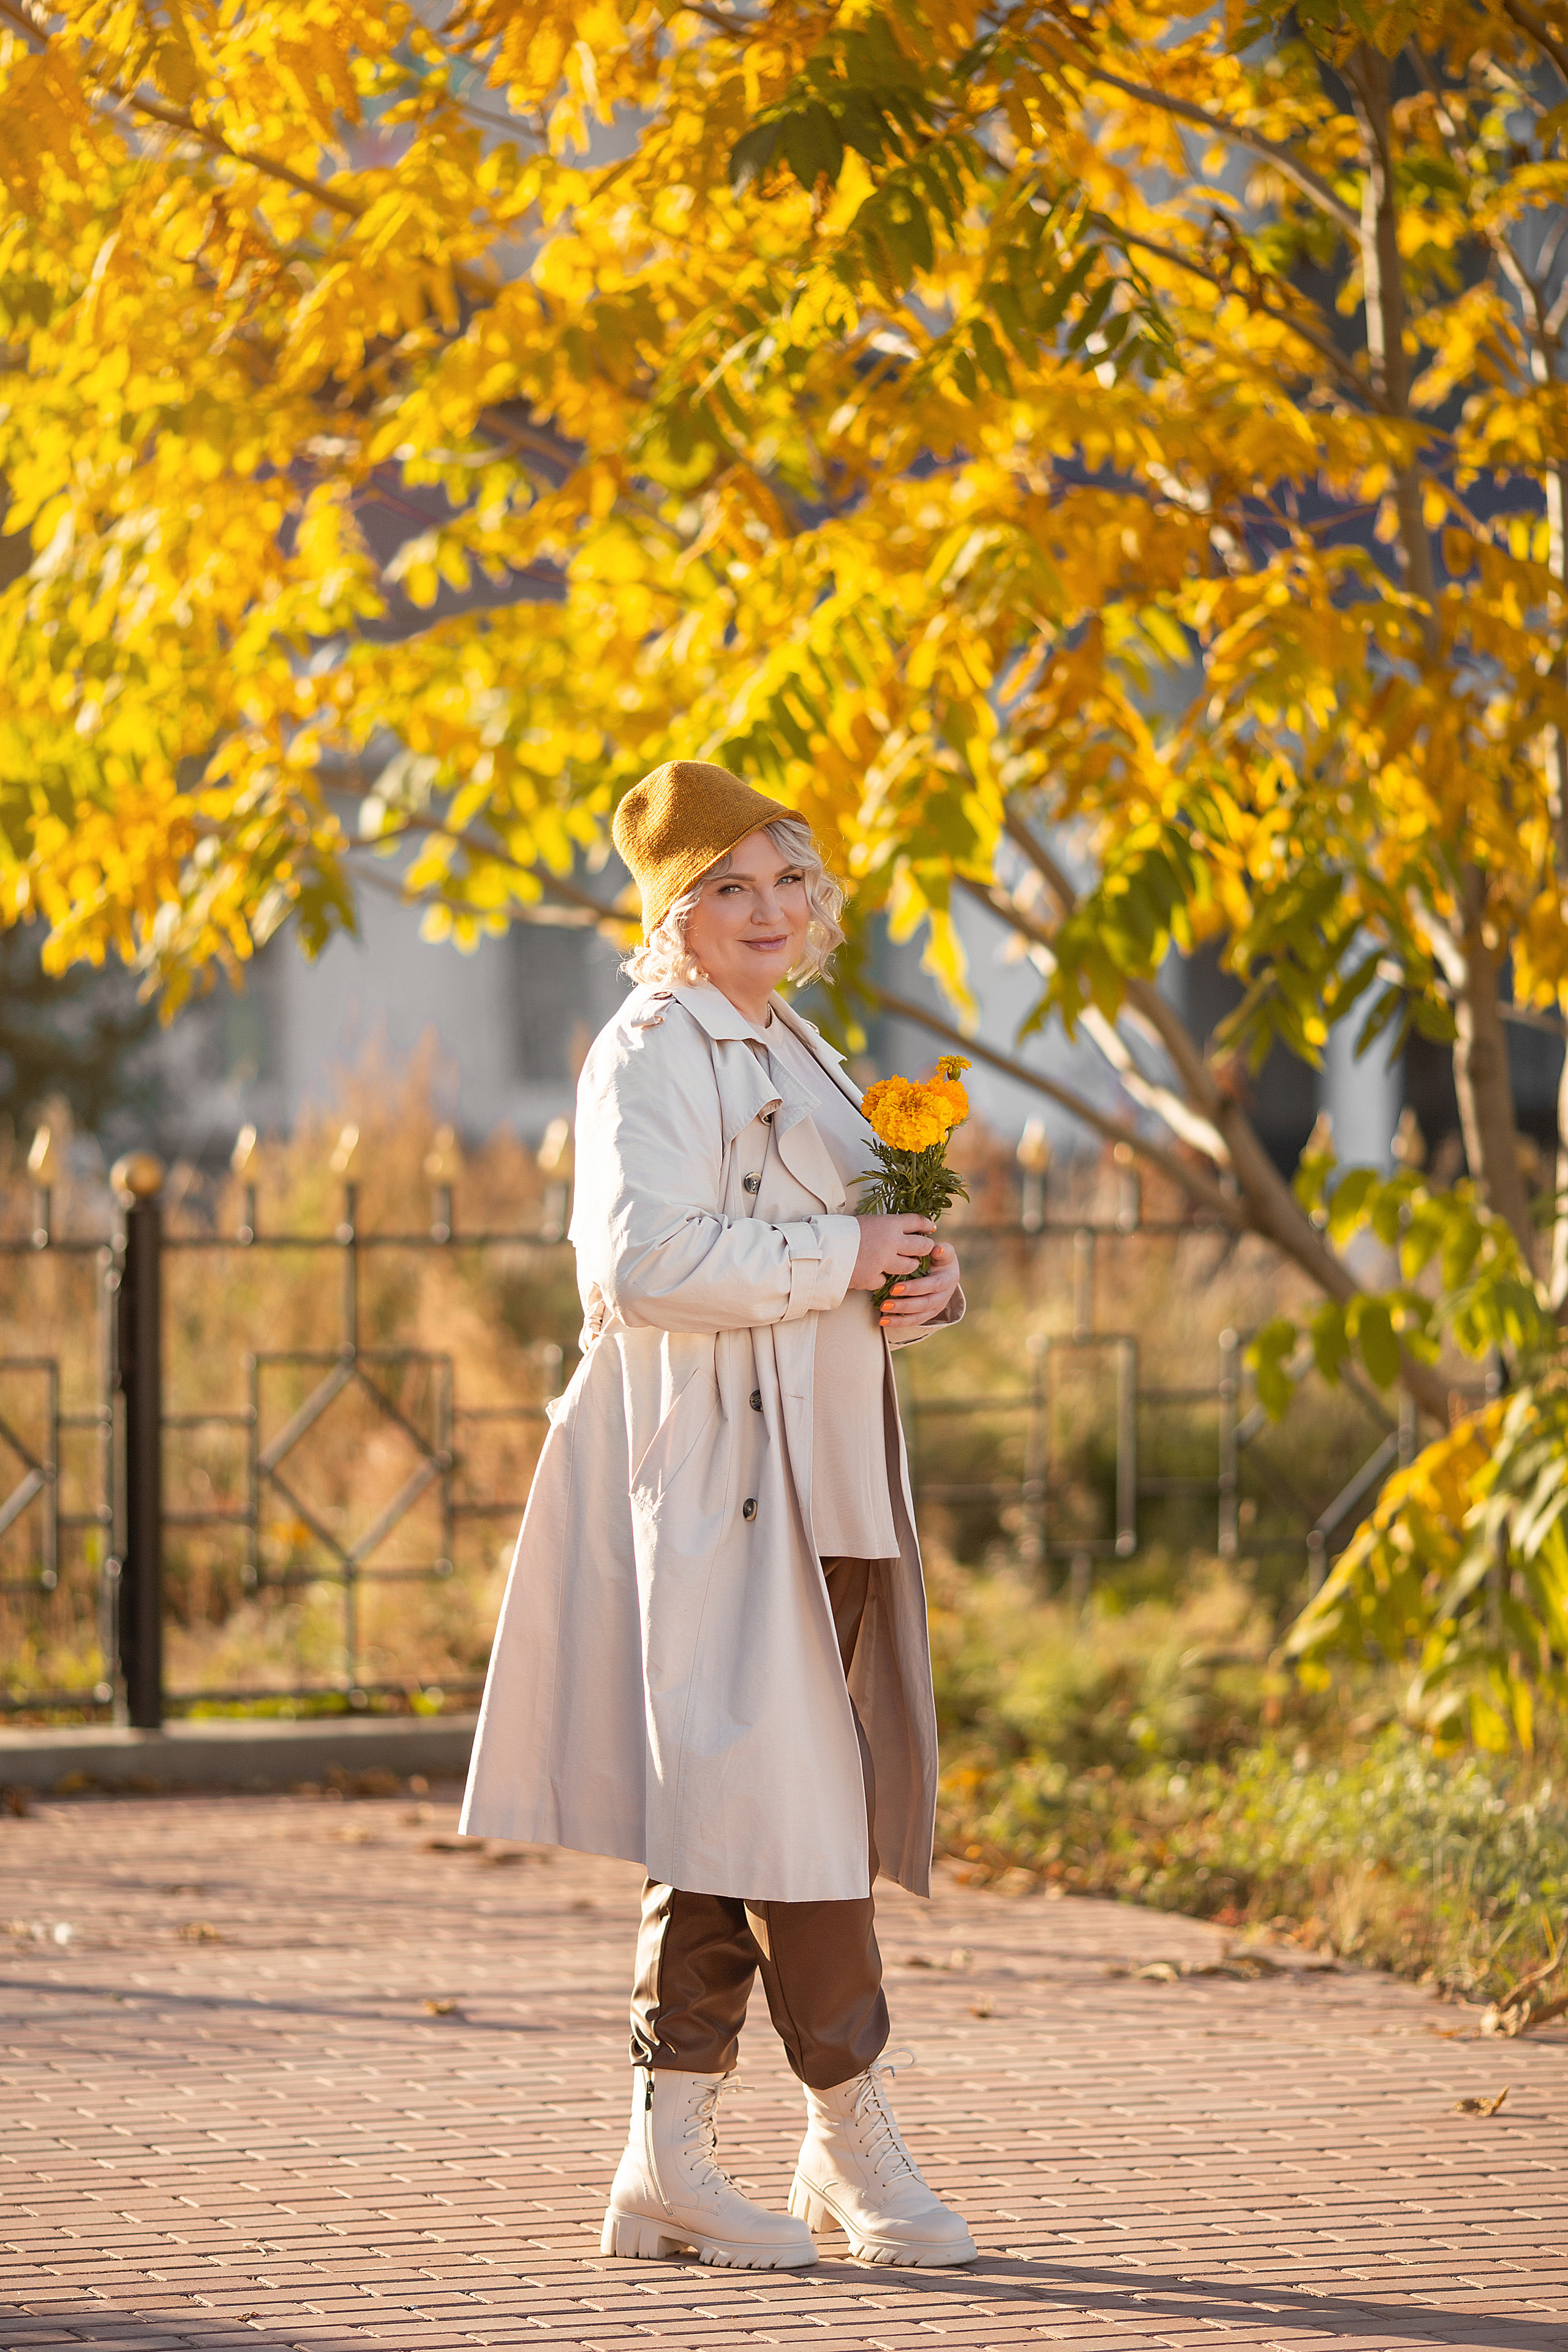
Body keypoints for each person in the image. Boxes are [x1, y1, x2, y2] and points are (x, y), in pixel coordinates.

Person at [461, 760, 977, 2271]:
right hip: (711, 1475)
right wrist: (839, 1253)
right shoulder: (648, 1050)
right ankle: (851, 2133)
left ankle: (664, 2161)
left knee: (736, 1805)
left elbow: (840, 1249)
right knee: (794, 1801)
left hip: (813, 1462)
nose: (768, 910)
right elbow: (642, 1264)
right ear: (671, 913)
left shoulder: (796, 1041)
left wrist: (917, 1285)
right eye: (729, 887)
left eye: (787, 882)